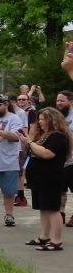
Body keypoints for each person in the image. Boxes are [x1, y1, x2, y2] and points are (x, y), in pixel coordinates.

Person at [20, 107, 73, 251]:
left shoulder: (57, 136)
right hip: (39, 177)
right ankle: (44, 236)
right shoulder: (44, 135)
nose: (40, 122)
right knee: (43, 208)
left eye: (43, 119)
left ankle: (57, 240)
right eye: (39, 119)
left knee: (52, 209)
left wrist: (30, 142)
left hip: (50, 177)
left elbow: (47, 154)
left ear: (52, 120)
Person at [0, 94, 23, 227]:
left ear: (6, 105)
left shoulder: (15, 119)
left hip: (8, 161)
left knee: (9, 192)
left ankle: (9, 215)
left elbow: (15, 136)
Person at [56, 89, 73, 226]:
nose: (59, 103)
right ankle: (60, 213)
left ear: (71, 102)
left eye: (62, 100)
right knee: (61, 189)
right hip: (60, 160)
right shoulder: (56, 117)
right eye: (57, 100)